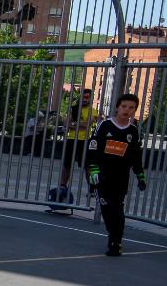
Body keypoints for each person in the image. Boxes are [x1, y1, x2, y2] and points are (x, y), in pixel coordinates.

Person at [87, 93, 147, 257]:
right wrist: (93, 170)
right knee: (107, 209)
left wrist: (140, 176)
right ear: (117, 108)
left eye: (131, 108)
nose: (127, 110)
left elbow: (135, 156)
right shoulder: (104, 125)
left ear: (135, 110)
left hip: (121, 178)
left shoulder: (133, 131)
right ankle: (112, 233)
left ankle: (115, 241)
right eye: (124, 106)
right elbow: (93, 149)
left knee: (117, 209)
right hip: (102, 176)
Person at [60, 88, 99, 189]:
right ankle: (63, 185)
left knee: (88, 166)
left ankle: (92, 188)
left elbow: (87, 125)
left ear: (91, 99)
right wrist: (79, 124)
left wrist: (74, 124)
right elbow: (66, 123)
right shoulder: (73, 109)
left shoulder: (93, 111)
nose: (85, 99)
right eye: (83, 97)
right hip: (72, 139)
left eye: (87, 97)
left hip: (85, 141)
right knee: (67, 164)